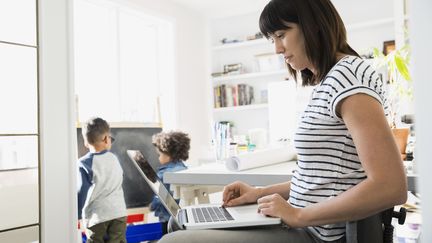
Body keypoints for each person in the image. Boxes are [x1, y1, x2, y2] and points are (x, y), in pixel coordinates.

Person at [159, 0, 407, 242]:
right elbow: (320, 181)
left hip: (315, 232)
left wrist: (297, 215)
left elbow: (390, 186)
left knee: (174, 239)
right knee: (178, 220)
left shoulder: (349, 76)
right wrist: (258, 193)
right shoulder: (330, 80)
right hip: (302, 224)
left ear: (314, 25)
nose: (277, 49)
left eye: (281, 35)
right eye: (272, 39)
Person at [77, 117, 127, 243]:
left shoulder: (84, 163)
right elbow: (120, 178)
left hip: (97, 216)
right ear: (106, 138)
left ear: (86, 142)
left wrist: (77, 215)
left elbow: (82, 190)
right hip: (118, 213)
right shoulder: (114, 159)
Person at [150, 131, 190, 234]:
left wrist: (152, 206)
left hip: (167, 218)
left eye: (160, 154)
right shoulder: (184, 169)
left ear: (168, 154)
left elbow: (159, 199)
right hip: (183, 217)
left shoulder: (164, 174)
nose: (158, 158)